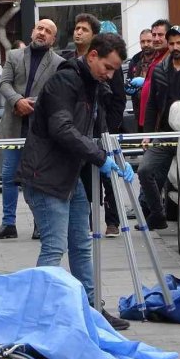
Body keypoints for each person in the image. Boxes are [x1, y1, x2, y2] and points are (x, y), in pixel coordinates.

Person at [17, 32, 133, 331]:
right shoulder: (64, 82)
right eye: (107, 67)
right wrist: (99, 158)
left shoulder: (93, 85)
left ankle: (92, 310)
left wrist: (116, 160)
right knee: (54, 247)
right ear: (92, 55)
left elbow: (99, 129)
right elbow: (62, 129)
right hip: (46, 176)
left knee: (81, 245)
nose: (109, 75)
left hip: (69, 175)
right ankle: (36, 315)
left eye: (114, 71)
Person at [0, 19, 63, 240]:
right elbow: (3, 83)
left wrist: (32, 104)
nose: (42, 33)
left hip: (39, 129)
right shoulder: (14, 56)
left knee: (36, 178)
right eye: (39, 28)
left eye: (47, 31)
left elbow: (57, 91)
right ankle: (8, 223)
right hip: (14, 125)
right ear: (32, 31)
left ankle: (41, 223)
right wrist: (17, 101)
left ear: (53, 39)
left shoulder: (58, 62)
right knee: (9, 175)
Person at [61, 14, 126, 238]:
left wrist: (110, 129)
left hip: (103, 129)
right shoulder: (67, 65)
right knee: (84, 180)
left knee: (109, 177)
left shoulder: (107, 63)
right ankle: (85, 222)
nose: (78, 32)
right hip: (79, 132)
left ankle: (113, 221)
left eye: (84, 29)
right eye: (76, 28)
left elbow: (117, 99)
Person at [137, 26, 180, 230]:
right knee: (145, 171)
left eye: (179, 43)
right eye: (172, 43)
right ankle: (157, 214)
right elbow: (152, 104)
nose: (175, 47)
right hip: (166, 132)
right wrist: (148, 135)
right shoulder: (161, 69)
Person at [134, 19, 170, 132]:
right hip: (147, 122)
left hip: (159, 124)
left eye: (160, 35)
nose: (156, 39)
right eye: (154, 35)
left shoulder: (169, 59)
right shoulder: (156, 58)